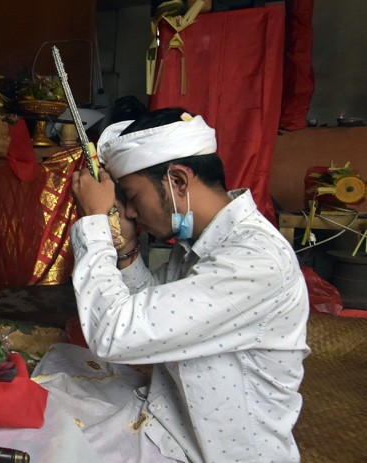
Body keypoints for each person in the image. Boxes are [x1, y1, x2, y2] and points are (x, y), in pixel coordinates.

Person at [66, 107, 309, 462]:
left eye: (132, 197)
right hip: (171, 426)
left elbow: (116, 334)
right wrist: (127, 250)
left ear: (177, 181)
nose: (130, 213)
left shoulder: (254, 261)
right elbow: (149, 315)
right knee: (55, 379)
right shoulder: (202, 242)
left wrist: (94, 225)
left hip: (214, 454)